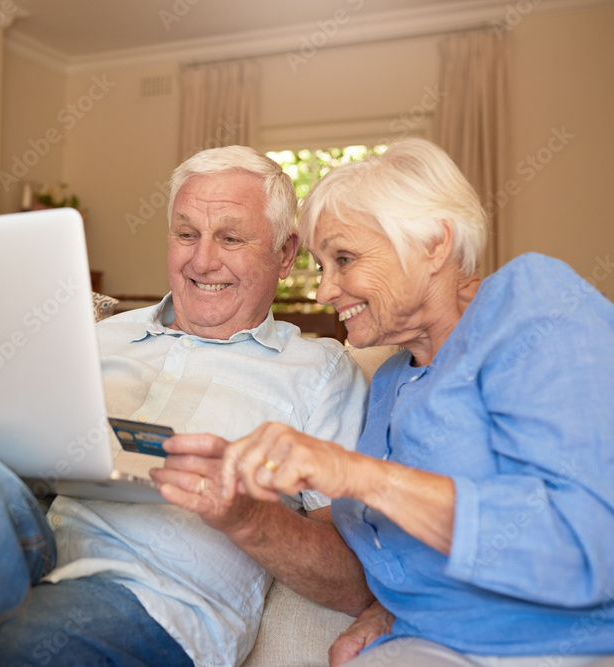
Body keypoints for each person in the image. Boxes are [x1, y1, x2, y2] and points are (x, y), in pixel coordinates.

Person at [0, 145, 371, 666]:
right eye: (186, 233)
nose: (201, 261)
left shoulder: (321, 373)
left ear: (286, 250)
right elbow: (11, 452)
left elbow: (350, 581)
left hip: (149, 602)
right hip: (20, 553)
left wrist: (247, 513)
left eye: (231, 237)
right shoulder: (93, 335)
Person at [195, 137, 614, 666]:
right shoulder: (392, 378)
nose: (325, 291)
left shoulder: (531, 308)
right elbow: (410, 551)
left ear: (435, 244)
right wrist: (393, 611)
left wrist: (354, 473)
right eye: (322, 266)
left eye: (344, 259)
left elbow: (592, 545)